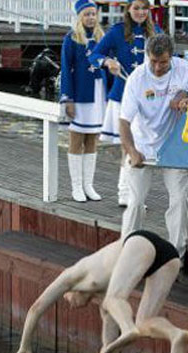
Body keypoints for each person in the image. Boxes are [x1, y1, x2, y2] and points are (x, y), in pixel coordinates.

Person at [10, 230, 188, 353]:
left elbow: (36, 308)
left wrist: (24, 345)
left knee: (114, 299)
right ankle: (176, 334)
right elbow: (107, 348)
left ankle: (128, 328)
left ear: (72, 291)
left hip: (139, 242)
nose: (69, 303)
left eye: (67, 298)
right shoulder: (106, 305)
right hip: (169, 258)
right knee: (143, 323)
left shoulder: (72, 275)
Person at [118, 33, 188, 259]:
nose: (157, 67)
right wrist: (132, 151)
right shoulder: (137, 78)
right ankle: (126, 252)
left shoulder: (184, 69)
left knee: (178, 200)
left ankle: (177, 257)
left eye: (163, 62)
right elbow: (124, 122)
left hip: (173, 147)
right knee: (136, 202)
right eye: (153, 61)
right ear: (147, 56)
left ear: (172, 58)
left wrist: (187, 96)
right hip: (143, 145)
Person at [89, 0, 161, 208]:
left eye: (144, 8)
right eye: (136, 8)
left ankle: (131, 194)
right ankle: (126, 193)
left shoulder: (155, 32)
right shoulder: (117, 32)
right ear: (128, 10)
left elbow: (169, 59)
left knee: (142, 146)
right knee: (129, 145)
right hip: (123, 95)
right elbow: (95, 55)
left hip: (147, 98)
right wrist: (107, 62)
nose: (140, 12)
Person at [60, 0, 108, 203]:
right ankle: (76, 186)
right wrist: (67, 98)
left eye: (93, 14)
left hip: (98, 93)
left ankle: (89, 184)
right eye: (86, 14)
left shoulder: (101, 37)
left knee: (92, 139)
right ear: (80, 16)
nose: (90, 18)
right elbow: (65, 70)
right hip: (80, 94)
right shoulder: (71, 39)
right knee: (77, 138)